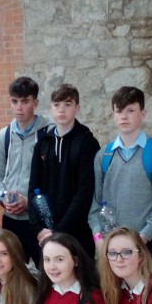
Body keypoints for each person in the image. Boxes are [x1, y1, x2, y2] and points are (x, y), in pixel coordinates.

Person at [89, 86, 152, 276]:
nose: (124, 116)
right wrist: (98, 237)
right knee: (113, 294)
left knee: (151, 294)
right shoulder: (104, 155)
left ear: (142, 113)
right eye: (119, 111)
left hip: (148, 245)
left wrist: (142, 237)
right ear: (113, 115)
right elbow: (95, 203)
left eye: (130, 110)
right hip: (113, 249)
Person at [28, 83, 99, 257]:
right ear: (51, 108)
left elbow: (85, 192)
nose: (61, 110)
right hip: (47, 233)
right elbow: (33, 188)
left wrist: (59, 232)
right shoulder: (43, 143)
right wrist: (38, 228)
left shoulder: (87, 142)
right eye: (57, 104)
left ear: (77, 108)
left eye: (68, 104)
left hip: (78, 232)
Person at [0, 76, 52, 265]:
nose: (19, 107)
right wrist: (3, 198)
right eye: (15, 101)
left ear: (35, 103)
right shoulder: (4, 136)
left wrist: (30, 203)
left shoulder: (49, 134)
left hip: (39, 220)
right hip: (11, 220)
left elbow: (54, 182)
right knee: (12, 272)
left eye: (25, 101)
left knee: (47, 272)